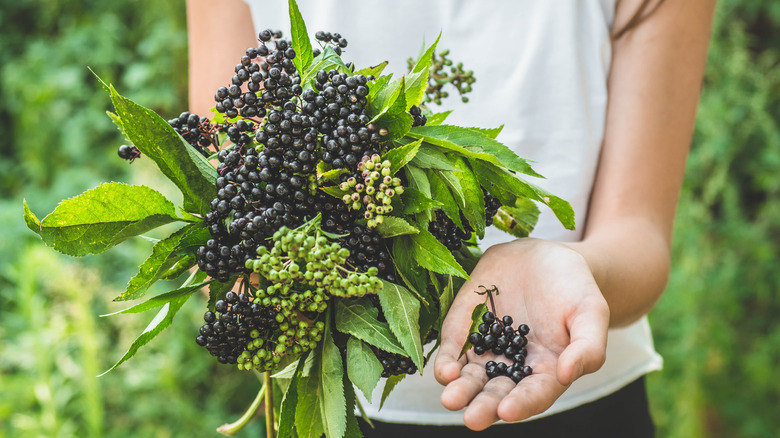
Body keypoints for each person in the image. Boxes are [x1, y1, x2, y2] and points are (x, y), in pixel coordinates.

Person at [186, 0, 715, 435]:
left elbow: (639, 237)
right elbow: (229, 200)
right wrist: (258, 279)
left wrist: (576, 270)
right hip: (347, 412)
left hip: (577, 395)